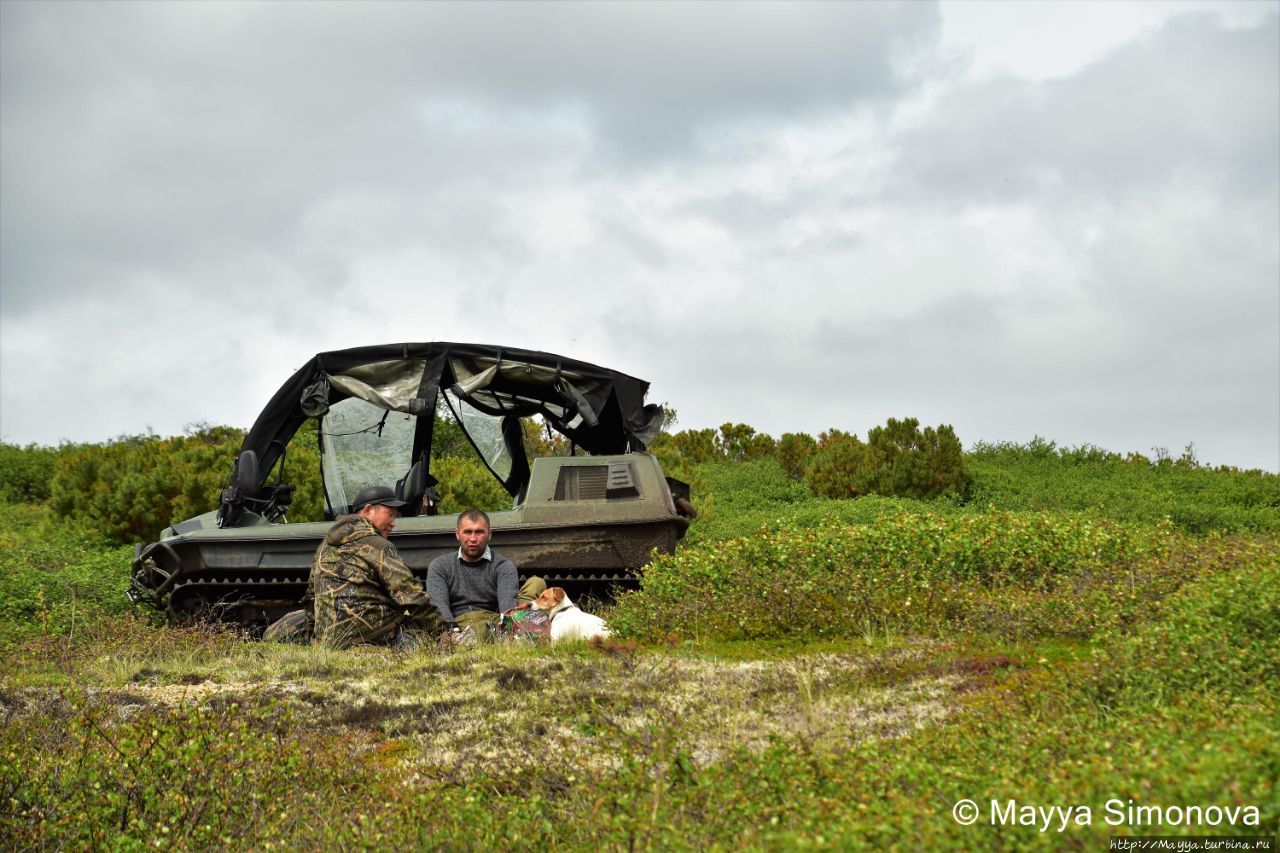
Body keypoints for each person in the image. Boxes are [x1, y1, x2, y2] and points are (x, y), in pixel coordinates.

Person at [309, 484, 440, 649]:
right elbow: (411, 596)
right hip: (372, 638)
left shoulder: (324, 547)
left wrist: (317, 637)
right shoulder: (378, 545)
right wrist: (445, 628)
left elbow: (311, 597)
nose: (393, 523)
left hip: (331, 642)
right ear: (368, 510)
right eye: (390, 515)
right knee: (423, 638)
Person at [426, 508, 545, 639]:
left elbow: (507, 604)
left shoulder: (503, 566)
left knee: (536, 583)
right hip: (460, 622)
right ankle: (522, 631)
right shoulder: (440, 566)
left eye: (479, 532)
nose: (473, 538)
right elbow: (439, 605)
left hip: (495, 620)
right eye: (467, 532)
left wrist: (507, 630)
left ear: (489, 534)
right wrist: (452, 632)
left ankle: (518, 631)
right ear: (457, 534)